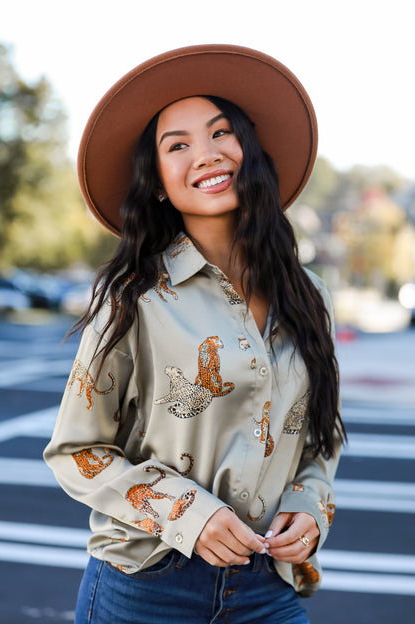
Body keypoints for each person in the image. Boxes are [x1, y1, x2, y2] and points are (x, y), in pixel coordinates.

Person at [44, 44, 346, 623]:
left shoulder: (311, 297)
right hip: (147, 585)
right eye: (176, 145)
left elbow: (318, 439)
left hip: (268, 588)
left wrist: (311, 508)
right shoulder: (134, 296)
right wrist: (189, 514)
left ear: (249, 151)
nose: (204, 155)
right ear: (158, 183)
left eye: (220, 133)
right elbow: (74, 451)